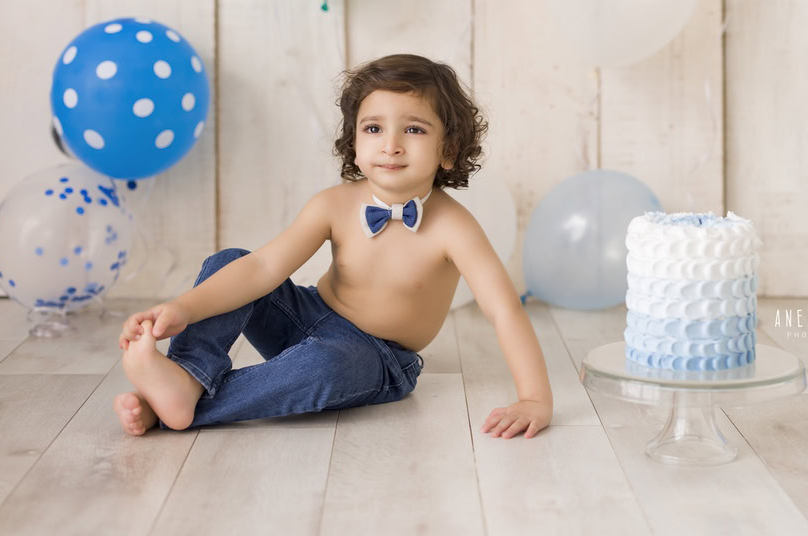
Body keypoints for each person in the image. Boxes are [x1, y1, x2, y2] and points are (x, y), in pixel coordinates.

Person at [114, 53, 552, 438]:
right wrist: (184, 308)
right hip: (305, 315)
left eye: (414, 129)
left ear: (448, 150)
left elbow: (503, 309)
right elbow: (265, 268)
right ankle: (186, 377)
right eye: (374, 127)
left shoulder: (454, 227)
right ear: (355, 144)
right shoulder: (334, 203)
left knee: (324, 368)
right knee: (231, 261)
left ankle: (173, 407)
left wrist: (534, 398)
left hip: (377, 355)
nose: (391, 145)